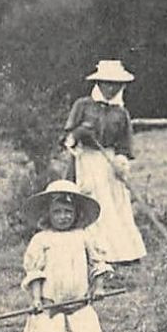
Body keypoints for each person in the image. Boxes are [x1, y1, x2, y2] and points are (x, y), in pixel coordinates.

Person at [19, 179, 113, 332]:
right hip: (51, 304)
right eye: (58, 212)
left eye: (68, 212)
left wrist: (98, 287)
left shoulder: (83, 236)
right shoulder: (42, 239)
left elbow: (97, 262)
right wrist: (36, 300)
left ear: (76, 214)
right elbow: (35, 273)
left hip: (80, 302)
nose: (63, 217)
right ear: (48, 214)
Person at [63, 60, 146, 266]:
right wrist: (80, 132)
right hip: (86, 160)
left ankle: (121, 254)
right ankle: (91, 254)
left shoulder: (121, 113)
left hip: (110, 165)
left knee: (115, 205)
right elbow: (67, 137)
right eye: (106, 83)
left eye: (115, 84)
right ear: (98, 83)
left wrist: (121, 162)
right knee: (91, 202)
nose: (111, 88)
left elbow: (125, 145)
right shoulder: (82, 105)